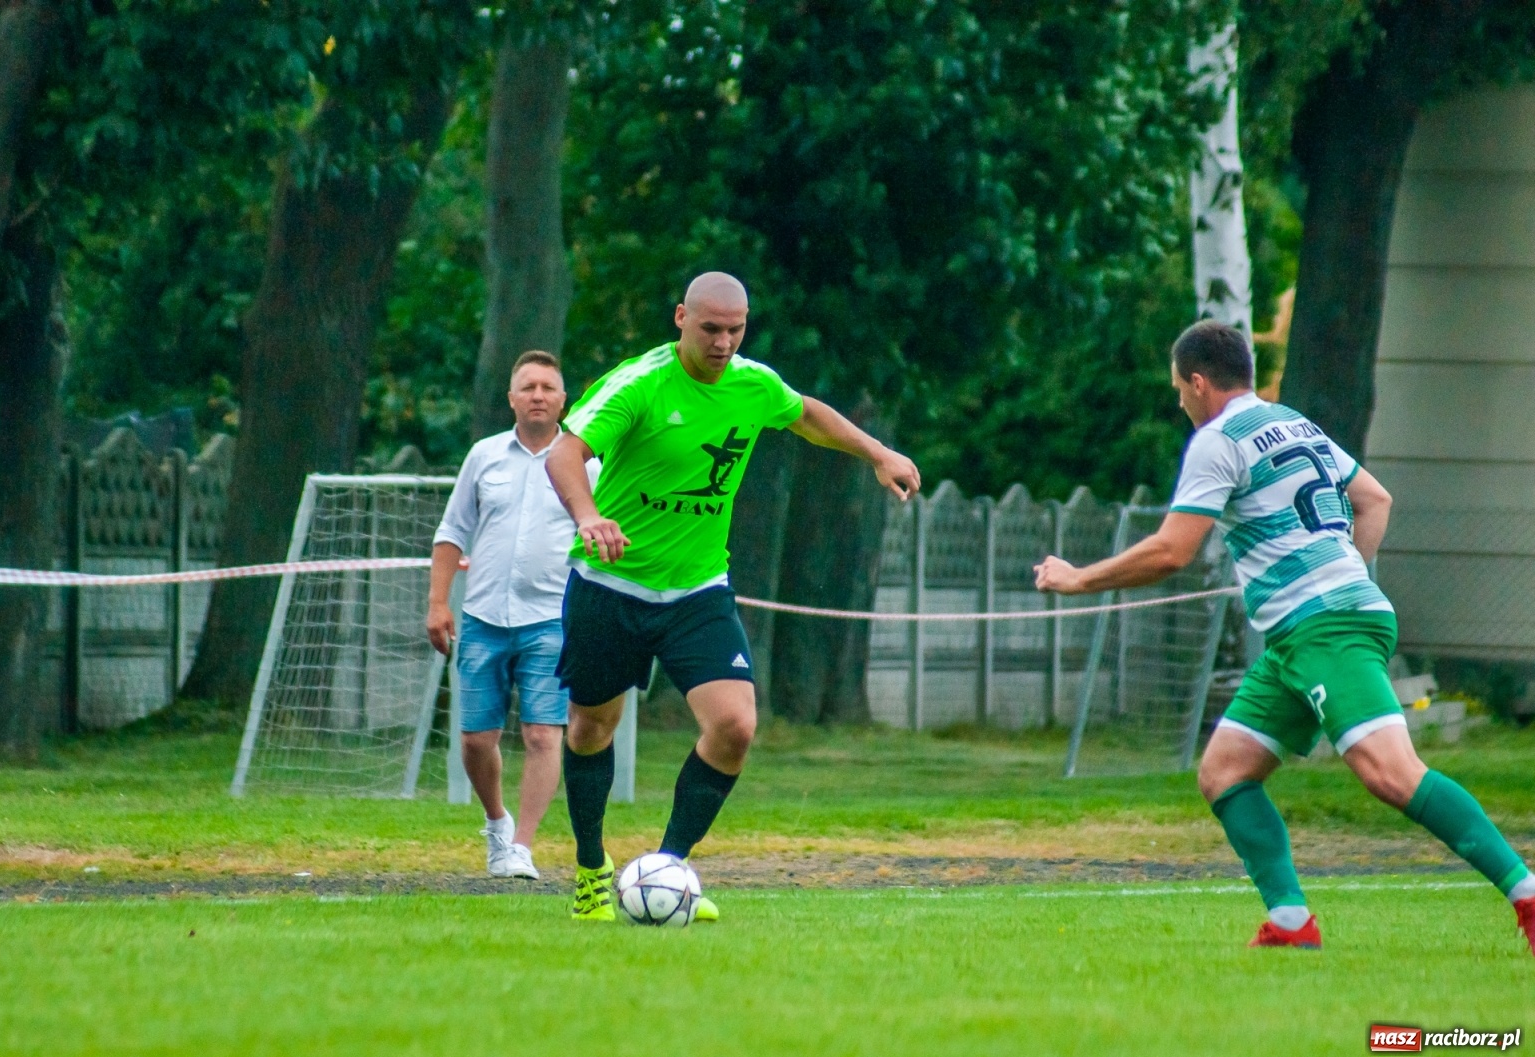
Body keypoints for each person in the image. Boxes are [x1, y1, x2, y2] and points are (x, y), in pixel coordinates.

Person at [1034, 320, 1535, 953]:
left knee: (1392, 773)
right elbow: (1375, 500)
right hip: (1304, 633)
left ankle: (1527, 892)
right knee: (1225, 772)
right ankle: (1293, 923)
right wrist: (1343, 571)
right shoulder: (1293, 423)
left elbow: (1172, 551)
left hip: (1324, 627)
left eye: (1179, 390)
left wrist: (1079, 579)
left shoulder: (1217, 440)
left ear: (1198, 382)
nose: (1180, 403)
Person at [544, 271, 921, 921]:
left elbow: (806, 415)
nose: (723, 342)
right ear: (681, 318)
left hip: (697, 589)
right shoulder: (640, 383)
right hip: (610, 584)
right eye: (711, 328)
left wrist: (876, 452)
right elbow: (564, 454)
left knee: (735, 726)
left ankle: (666, 872)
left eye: (735, 330)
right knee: (589, 727)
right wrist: (588, 516)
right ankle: (589, 870)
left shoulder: (753, 384)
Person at [427, 350, 598, 880]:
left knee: (544, 735)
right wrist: (437, 602)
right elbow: (453, 531)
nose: (538, 396)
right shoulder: (484, 457)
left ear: (564, 400)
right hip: (483, 617)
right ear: (511, 398)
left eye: (548, 387)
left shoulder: (589, 465)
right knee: (477, 739)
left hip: (552, 620)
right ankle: (496, 821)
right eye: (528, 387)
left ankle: (521, 846)